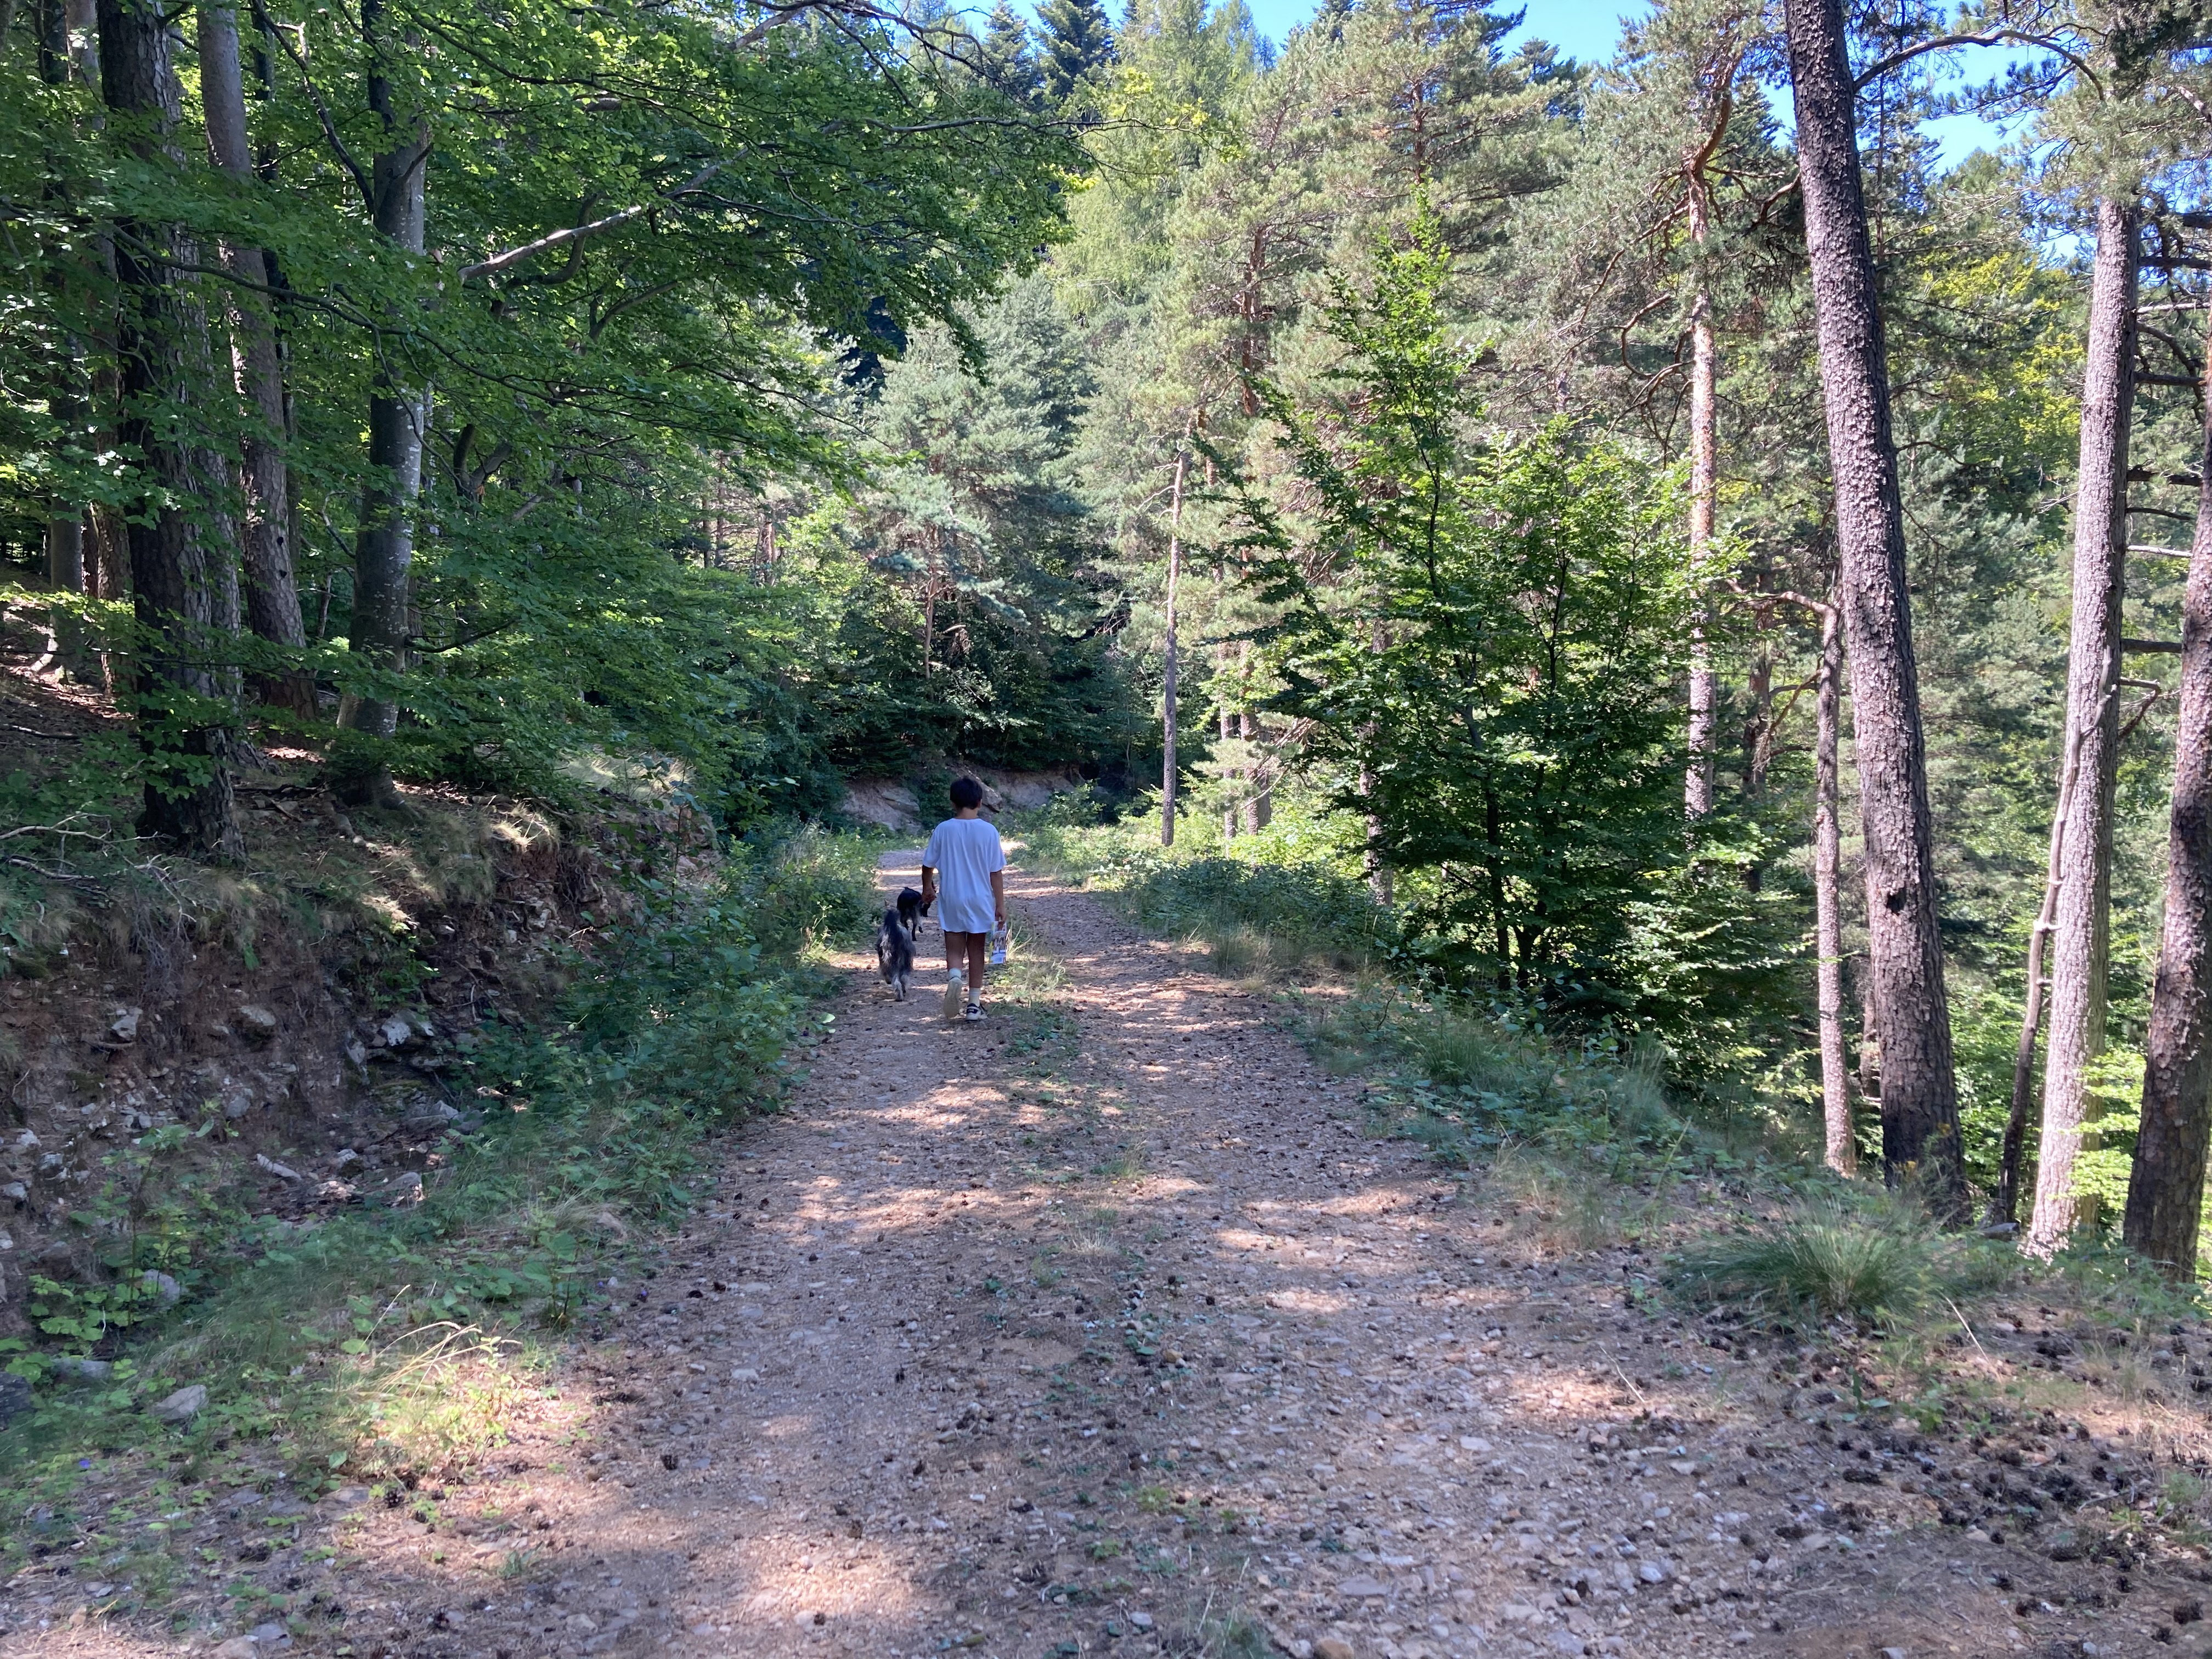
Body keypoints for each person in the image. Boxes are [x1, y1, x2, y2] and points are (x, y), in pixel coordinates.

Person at [919, 777, 1006, 1024]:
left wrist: (928, 888)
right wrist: (1000, 905)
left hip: (952, 897)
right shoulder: (989, 831)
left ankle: (955, 977)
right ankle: (974, 1005)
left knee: (954, 947)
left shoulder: (943, 829)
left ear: (952, 802)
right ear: (980, 802)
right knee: (976, 950)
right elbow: (995, 872)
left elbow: (928, 865)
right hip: (980, 899)